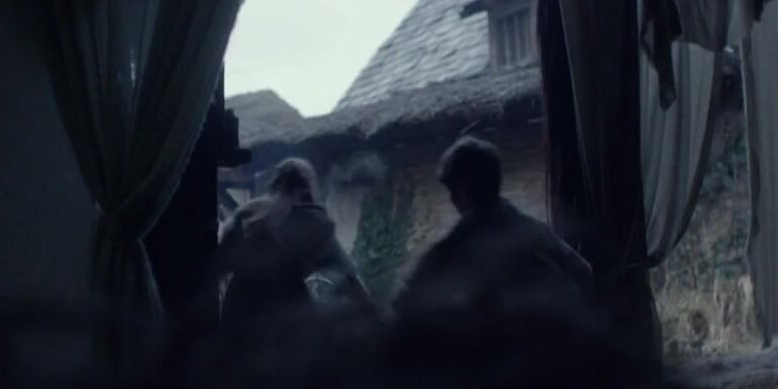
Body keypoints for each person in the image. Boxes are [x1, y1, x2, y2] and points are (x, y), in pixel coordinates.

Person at [392, 137, 593, 316]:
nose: (452, 199)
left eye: (452, 189)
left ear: (462, 188)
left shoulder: (463, 239)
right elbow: (583, 272)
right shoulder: (530, 227)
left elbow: (406, 298)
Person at [215, 158, 375, 333]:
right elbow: (349, 275)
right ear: (307, 187)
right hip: (284, 313)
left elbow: (220, 265)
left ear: (278, 180)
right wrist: (375, 316)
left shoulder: (248, 210)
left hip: (239, 310)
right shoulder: (311, 220)